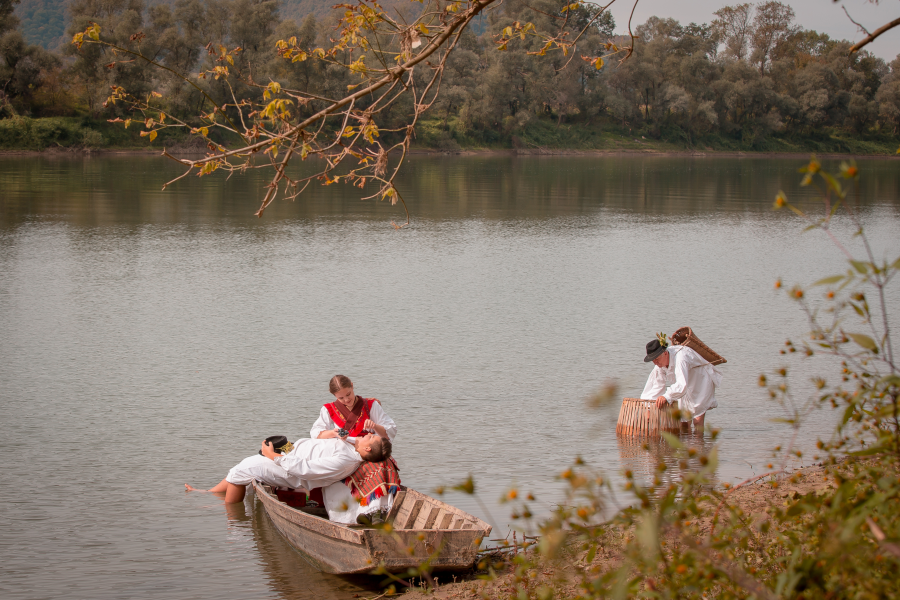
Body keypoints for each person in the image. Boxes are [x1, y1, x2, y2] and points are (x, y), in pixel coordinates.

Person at [184, 432, 390, 505]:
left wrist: (272, 456)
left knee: (246, 467)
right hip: (292, 454)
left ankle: (228, 512)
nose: (367, 434)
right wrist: (333, 433)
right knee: (243, 464)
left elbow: (305, 470)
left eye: (370, 437)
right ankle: (210, 493)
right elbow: (322, 438)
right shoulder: (353, 445)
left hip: (290, 471)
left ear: (368, 448)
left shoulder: (345, 461)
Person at [640, 338, 723, 432]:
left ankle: (699, 444)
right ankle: (685, 444)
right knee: (683, 421)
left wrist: (666, 396)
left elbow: (682, 384)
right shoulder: (659, 364)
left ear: (665, 353)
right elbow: (655, 385)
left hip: (701, 381)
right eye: (653, 361)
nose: (656, 363)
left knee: (697, 419)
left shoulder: (681, 358)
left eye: (657, 359)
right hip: (686, 382)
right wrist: (648, 408)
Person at [310, 375, 397, 442]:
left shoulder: (371, 405)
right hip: (343, 449)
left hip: (368, 449)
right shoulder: (328, 409)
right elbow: (315, 433)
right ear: (334, 395)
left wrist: (374, 426)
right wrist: (334, 433)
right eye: (341, 398)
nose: (346, 400)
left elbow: (390, 432)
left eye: (348, 394)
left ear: (352, 386)